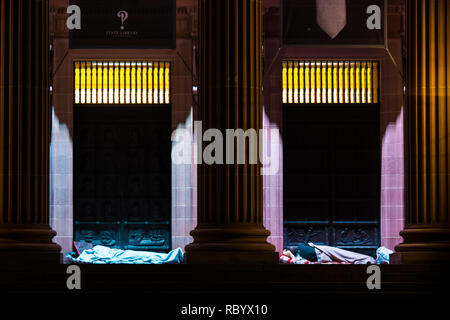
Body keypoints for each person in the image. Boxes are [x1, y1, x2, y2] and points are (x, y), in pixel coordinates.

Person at [283, 242, 376, 264]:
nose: (292, 247)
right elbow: (297, 262)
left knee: (346, 255)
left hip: (322, 250)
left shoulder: (300, 247)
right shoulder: (297, 255)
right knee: (346, 257)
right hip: (321, 255)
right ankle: (367, 260)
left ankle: (369, 259)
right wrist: (290, 255)